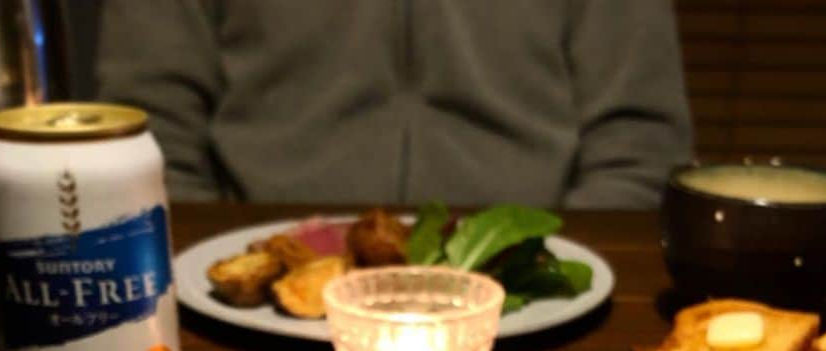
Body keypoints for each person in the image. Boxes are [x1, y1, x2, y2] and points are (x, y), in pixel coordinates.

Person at [95, 0, 692, 208]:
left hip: (535, 305)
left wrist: (548, 267)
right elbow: (145, 132)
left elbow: (639, 148)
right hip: (251, 308)